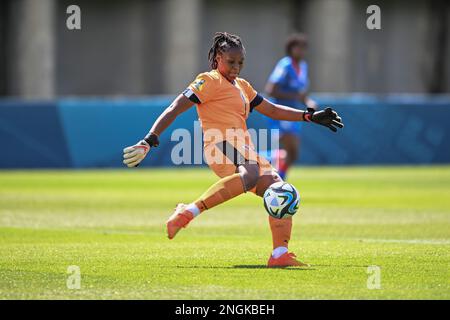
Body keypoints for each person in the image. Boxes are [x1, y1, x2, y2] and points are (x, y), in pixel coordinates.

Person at [122, 32, 343, 267]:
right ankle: (189, 211)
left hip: (243, 147)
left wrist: (308, 116)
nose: (236, 67)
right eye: (231, 62)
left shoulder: (242, 86)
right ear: (218, 57)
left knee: (280, 189)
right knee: (251, 174)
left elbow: (273, 110)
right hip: (220, 144)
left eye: (240, 62)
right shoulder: (208, 80)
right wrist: (150, 139)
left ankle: (279, 254)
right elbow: (175, 107)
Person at [265, 33, 318, 180]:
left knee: (293, 153)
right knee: (290, 147)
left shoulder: (303, 66)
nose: (301, 51)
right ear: (291, 49)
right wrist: (297, 97)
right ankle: (267, 170)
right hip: (280, 112)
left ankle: (279, 177)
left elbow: (300, 92)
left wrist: (307, 102)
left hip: (295, 113)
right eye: (298, 48)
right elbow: (271, 90)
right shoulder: (285, 65)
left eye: (303, 48)